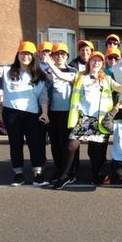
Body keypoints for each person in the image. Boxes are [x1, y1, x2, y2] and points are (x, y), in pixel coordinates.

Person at [45, 50, 122, 189]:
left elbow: (121, 88)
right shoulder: (79, 76)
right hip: (83, 119)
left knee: (96, 153)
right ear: (89, 62)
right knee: (70, 147)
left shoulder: (106, 79)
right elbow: (60, 75)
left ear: (102, 64)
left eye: (99, 61)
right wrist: (49, 62)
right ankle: (64, 176)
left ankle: (96, 175)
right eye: (93, 60)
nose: (96, 62)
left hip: (99, 121)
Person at [0, 42, 49, 186]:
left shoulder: (38, 75)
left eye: (29, 54)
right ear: (18, 55)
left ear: (33, 57)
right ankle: (18, 174)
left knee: (35, 144)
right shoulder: (7, 70)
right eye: (23, 53)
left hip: (32, 114)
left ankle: (38, 174)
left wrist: (44, 113)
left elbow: (43, 96)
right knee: (15, 144)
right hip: (11, 113)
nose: (25, 56)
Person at [46, 43, 79, 184]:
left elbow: (60, 76)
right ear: (53, 56)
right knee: (56, 143)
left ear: (66, 56)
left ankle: (71, 171)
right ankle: (59, 169)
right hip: (53, 112)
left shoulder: (73, 71)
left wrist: (50, 65)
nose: (60, 57)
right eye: (56, 54)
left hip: (69, 113)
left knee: (69, 144)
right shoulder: (47, 71)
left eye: (63, 54)